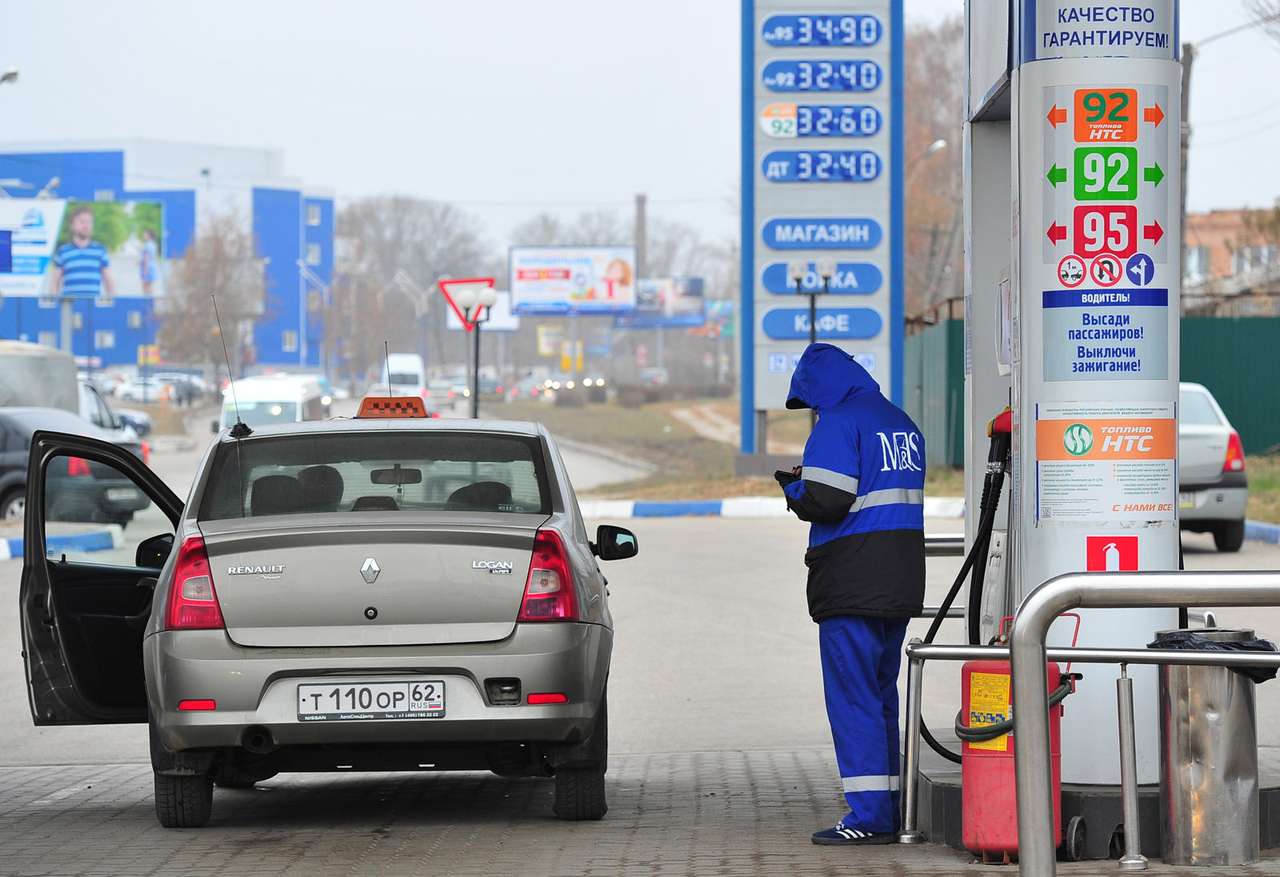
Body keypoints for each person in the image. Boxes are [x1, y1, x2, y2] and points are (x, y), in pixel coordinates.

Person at [776, 342, 925, 846]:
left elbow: (828, 499)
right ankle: (890, 805)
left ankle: (869, 817)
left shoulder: (838, 422)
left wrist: (792, 488)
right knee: (881, 696)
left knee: (853, 698)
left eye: (810, 401)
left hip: (852, 581)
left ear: (820, 388)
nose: (812, 411)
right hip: (898, 579)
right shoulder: (900, 422)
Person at [50, 206, 116, 300]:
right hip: (69, 305)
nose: (86, 225)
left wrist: (114, 303)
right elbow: (54, 283)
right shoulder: (63, 251)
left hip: (93, 305)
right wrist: (54, 303)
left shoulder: (100, 251)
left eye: (89, 222)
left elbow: (108, 281)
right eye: (82, 222)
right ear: (72, 225)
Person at [139, 228, 159, 295]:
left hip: (147, 267)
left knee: (145, 286)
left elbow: (146, 258)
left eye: (145, 234)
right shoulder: (153, 244)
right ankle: (151, 300)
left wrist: (145, 270)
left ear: (149, 236)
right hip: (152, 266)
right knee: (150, 286)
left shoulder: (147, 245)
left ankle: (147, 300)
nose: (143, 235)